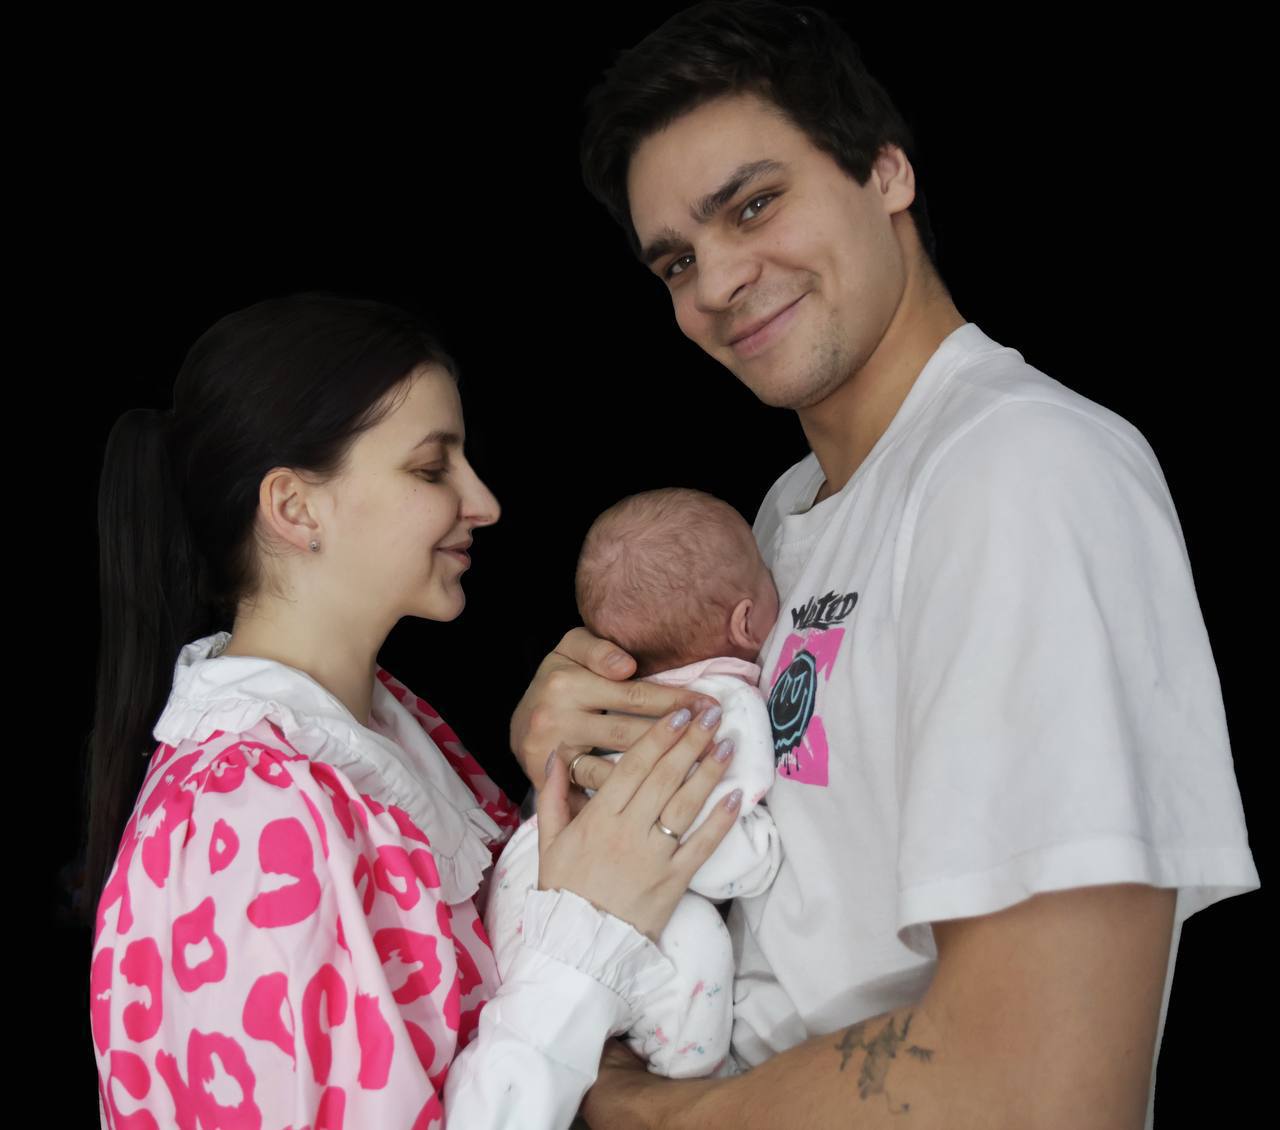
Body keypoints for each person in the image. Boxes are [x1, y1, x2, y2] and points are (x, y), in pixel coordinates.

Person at [507, 3, 1260, 1127]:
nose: (715, 282)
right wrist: (588, 752)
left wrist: (634, 1108)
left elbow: (1042, 1089)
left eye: (753, 204)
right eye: (676, 259)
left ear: (887, 173)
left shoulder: (1021, 473)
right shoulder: (782, 519)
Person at [86, 293, 743, 1129]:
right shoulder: (245, 817)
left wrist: (559, 782)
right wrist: (587, 935)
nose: (484, 502)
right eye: (432, 469)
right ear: (294, 508)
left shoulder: (382, 721)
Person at [486, 488, 781, 1078]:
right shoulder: (725, 709)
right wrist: (759, 855)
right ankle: (688, 1072)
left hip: (523, 876)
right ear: (746, 622)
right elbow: (715, 857)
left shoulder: (596, 705)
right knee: (699, 945)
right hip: (602, 908)